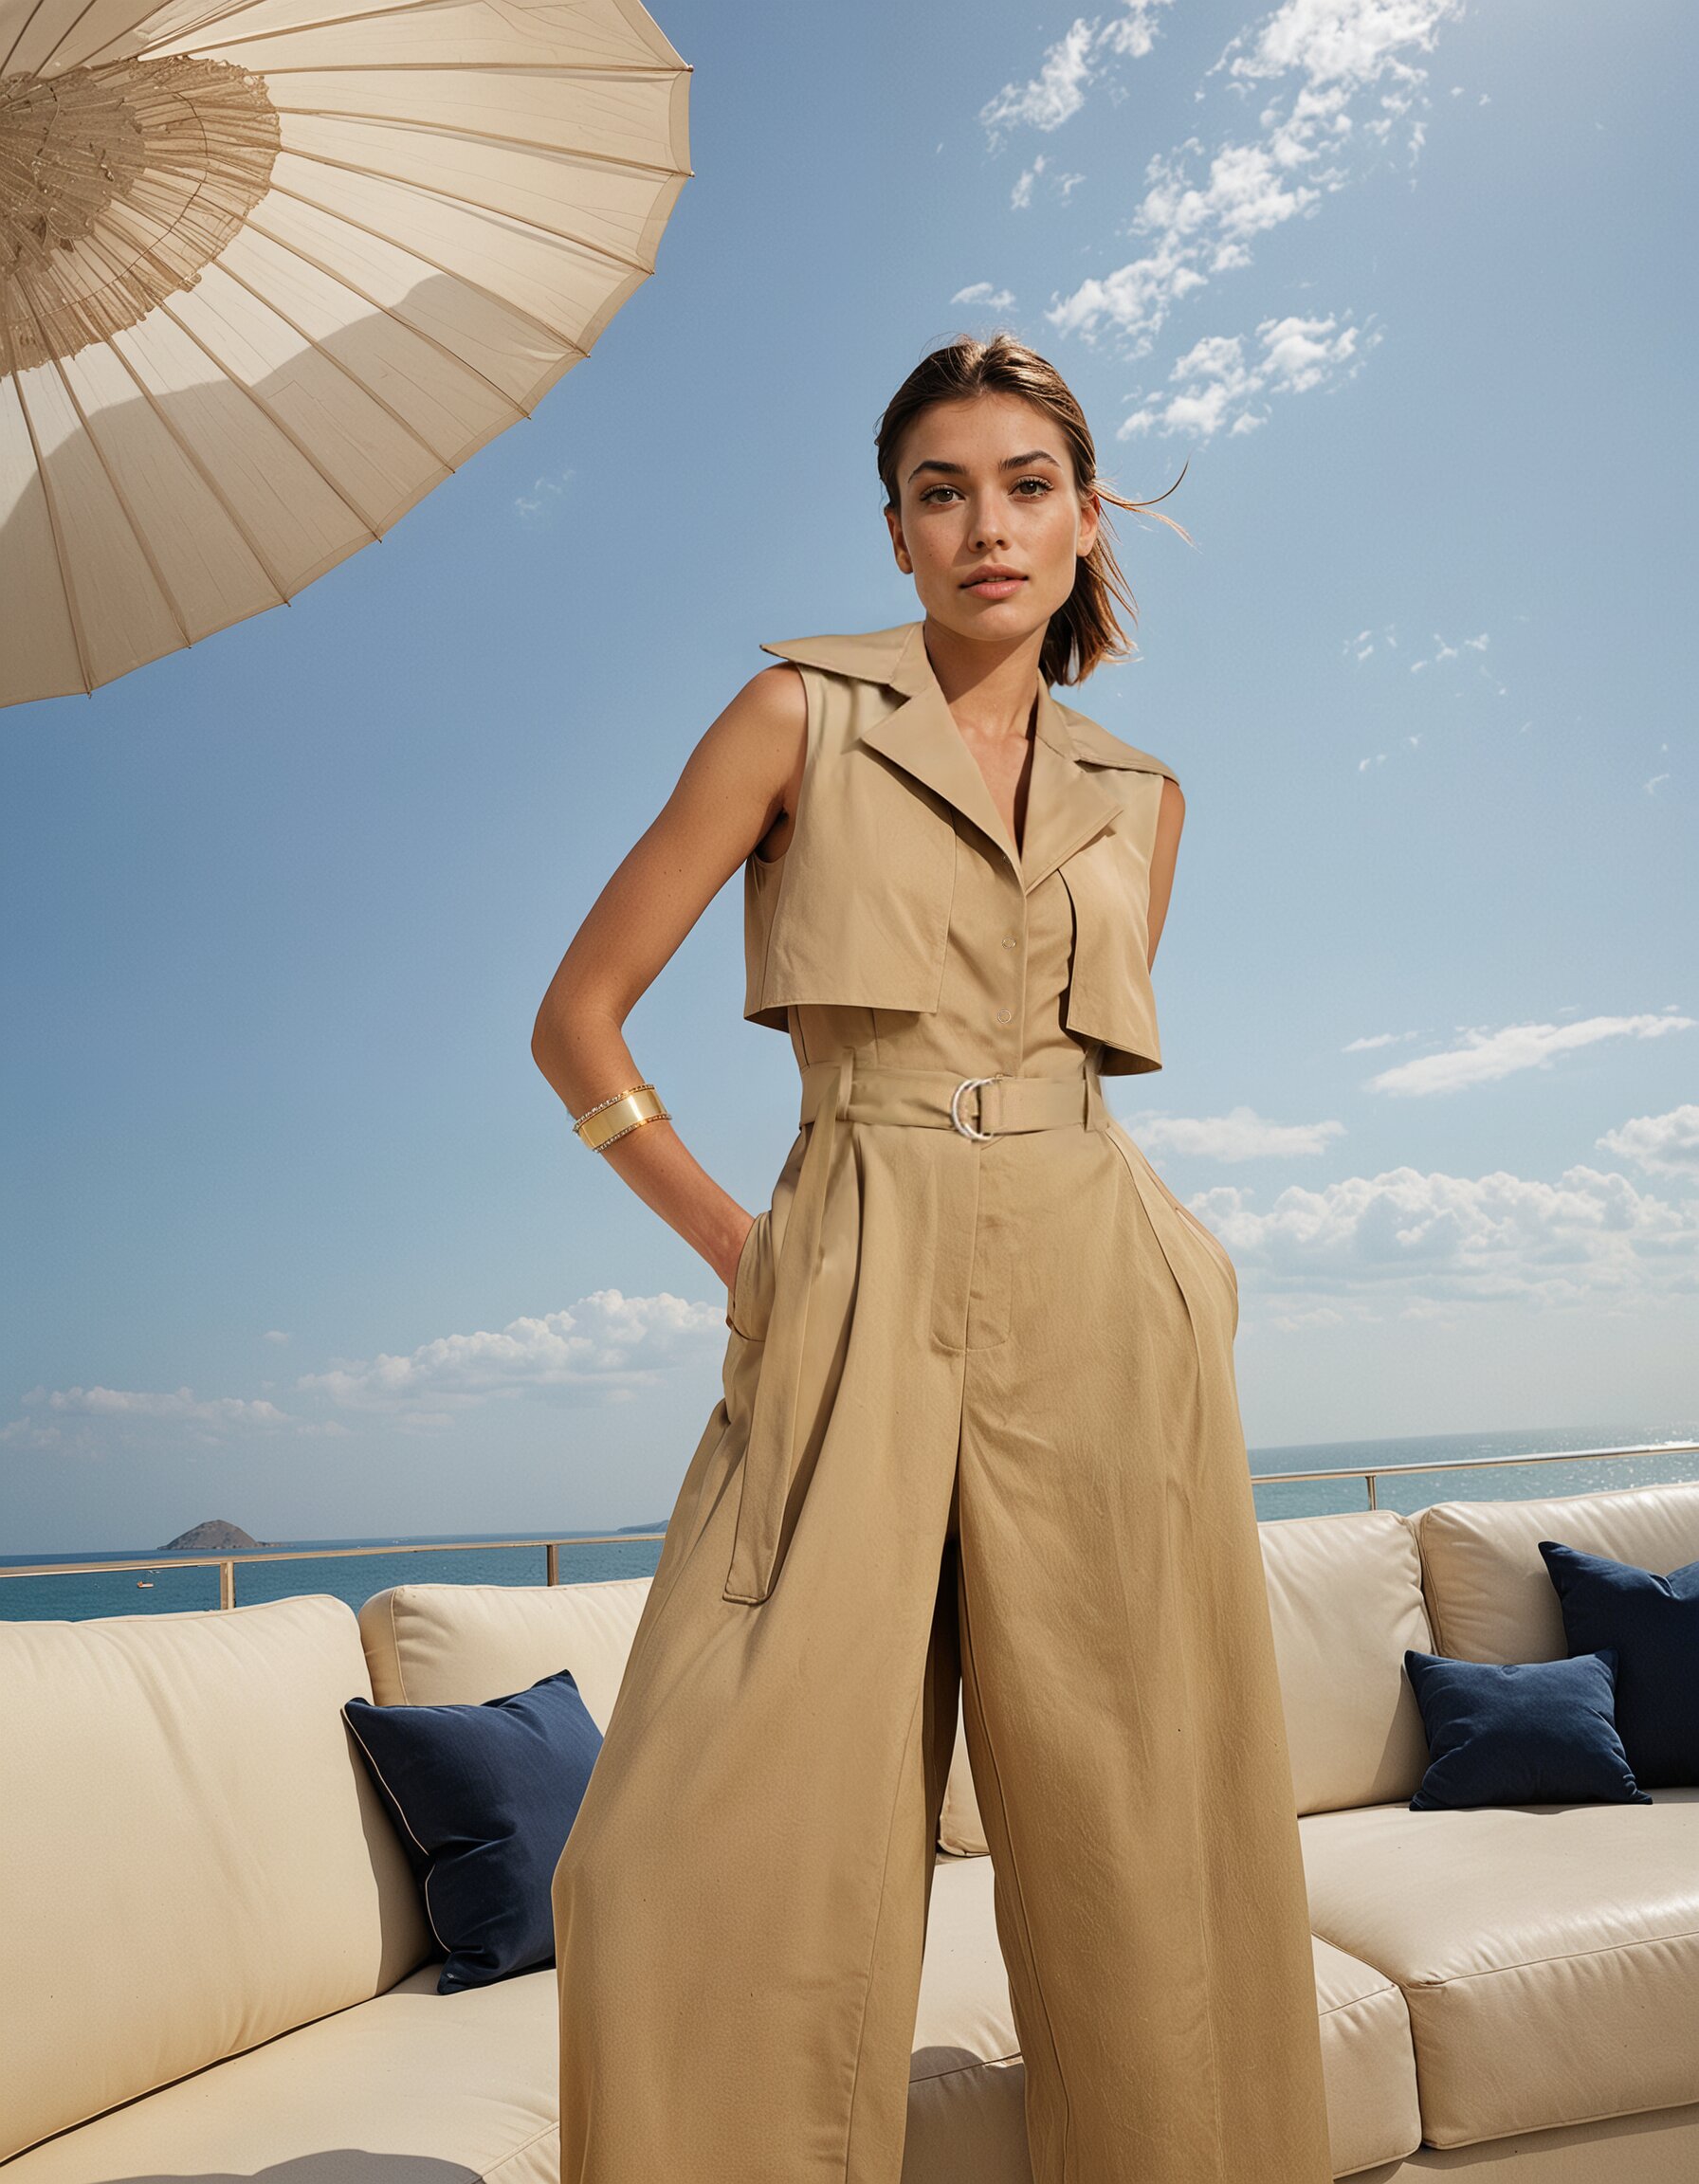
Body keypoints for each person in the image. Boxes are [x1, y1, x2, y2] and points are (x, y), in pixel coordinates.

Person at [532, 333, 1334, 2183]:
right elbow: (578, 1022)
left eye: (1024, 484)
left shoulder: (1144, 794)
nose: (985, 524)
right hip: (851, 1250)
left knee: (1143, 1826)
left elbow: (1057, 1068)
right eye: (939, 490)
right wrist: (745, 1247)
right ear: (891, 530)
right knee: (686, 1844)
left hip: (1099, 1279)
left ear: (1082, 516)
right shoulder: (791, 718)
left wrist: (1172, 1269)